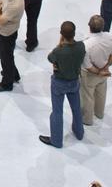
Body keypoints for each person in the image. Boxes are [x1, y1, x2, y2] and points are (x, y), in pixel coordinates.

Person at [39, 20, 86, 148]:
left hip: (59, 83)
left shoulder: (58, 51)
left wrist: (60, 45)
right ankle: (79, 132)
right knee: (76, 108)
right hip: (74, 82)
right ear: (74, 33)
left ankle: (56, 140)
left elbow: (50, 58)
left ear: (61, 34)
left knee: (57, 112)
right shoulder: (81, 46)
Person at [80, 15, 112, 127]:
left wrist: (98, 71)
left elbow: (87, 65)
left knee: (87, 96)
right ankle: (99, 113)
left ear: (89, 27)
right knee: (101, 93)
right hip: (104, 72)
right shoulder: (110, 38)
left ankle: (87, 119)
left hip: (90, 75)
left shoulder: (86, 44)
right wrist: (106, 66)